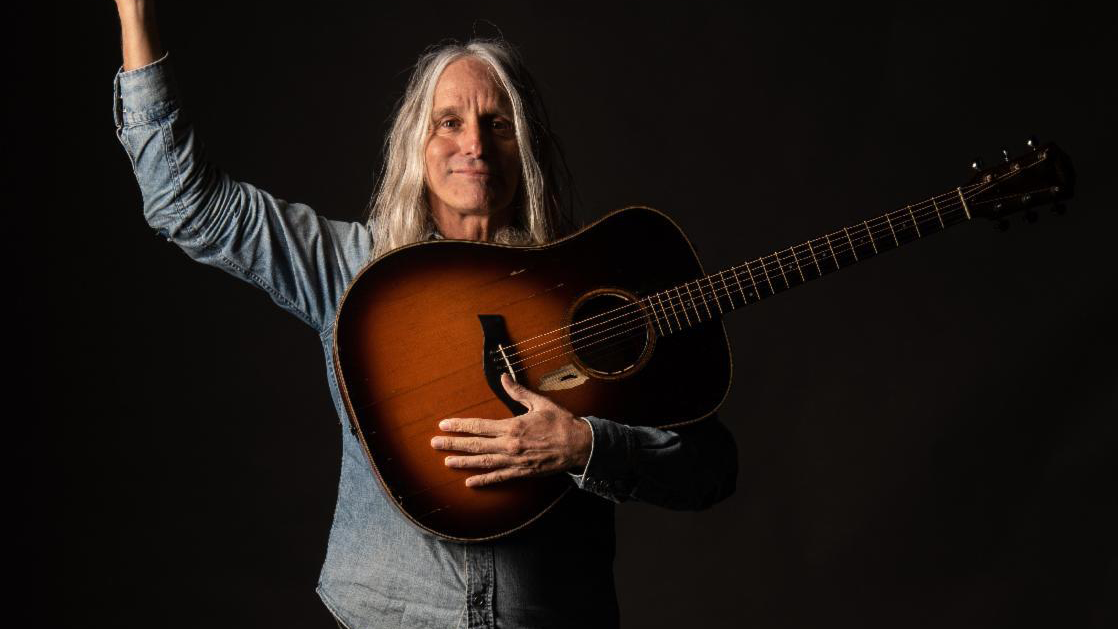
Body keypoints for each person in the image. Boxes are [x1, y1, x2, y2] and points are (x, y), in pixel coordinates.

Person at [112, 1, 738, 626]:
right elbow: (182, 202)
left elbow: (710, 469)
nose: (474, 144)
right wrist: (136, 14)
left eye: (498, 124)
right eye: (448, 122)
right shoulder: (356, 269)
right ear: (416, 141)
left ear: (528, 145)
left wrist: (583, 446)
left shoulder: (588, 285)